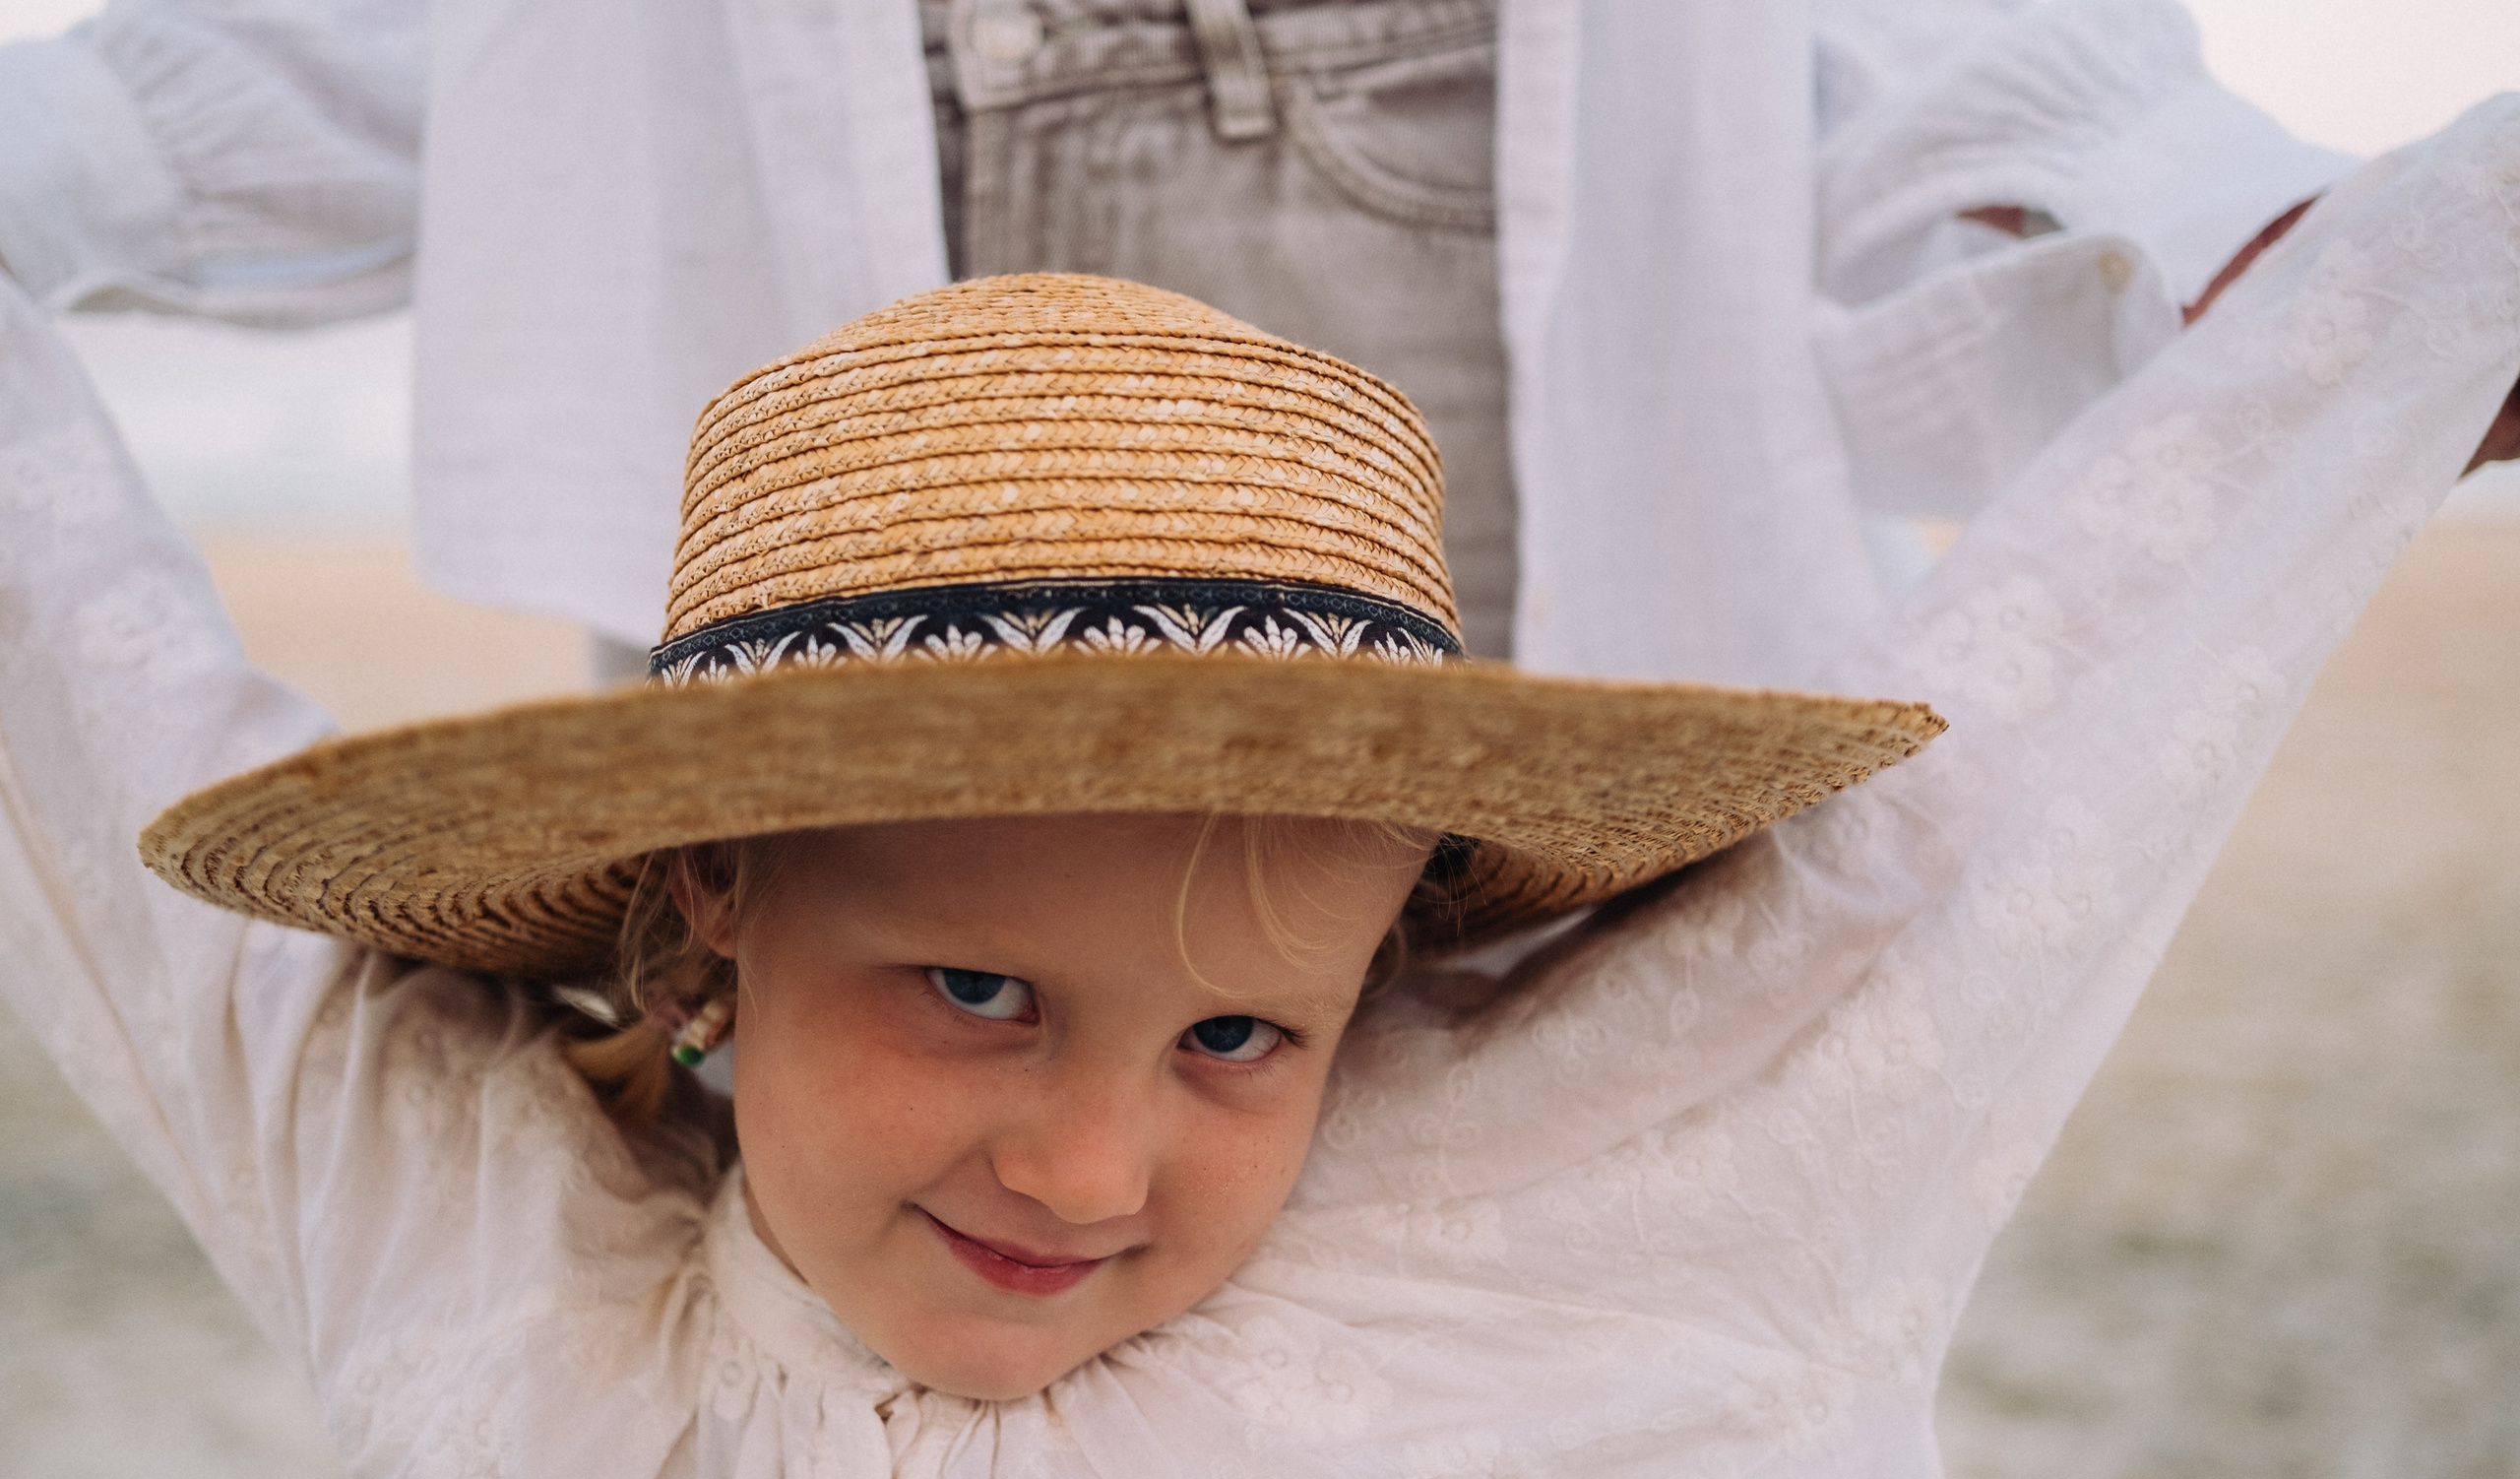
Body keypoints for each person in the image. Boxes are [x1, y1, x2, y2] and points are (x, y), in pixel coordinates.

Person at [8, 90, 2520, 1479]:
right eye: (974, 984)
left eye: (1239, 1037)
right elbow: (74, 690)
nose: (1089, 1170)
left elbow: (2082, 665)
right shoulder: (465, 1231)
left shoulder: (1676, 1160)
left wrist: (2418, 285)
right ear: (708, 897)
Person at [0, 0, 2392, 678]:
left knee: (1484, 1243)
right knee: (872, 1265)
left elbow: (1912, 53)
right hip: (774, 403)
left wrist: (2213, 221)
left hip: (1457, 223)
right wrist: (64, 150)